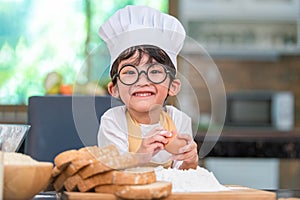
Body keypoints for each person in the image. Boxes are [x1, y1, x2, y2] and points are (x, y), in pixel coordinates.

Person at [97, 5, 198, 170]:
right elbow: (111, 171)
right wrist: (139, 156)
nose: (142, 81)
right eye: (130, 72)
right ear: (114, 88)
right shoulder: (113, 121)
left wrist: (189, 161)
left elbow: (183, 176)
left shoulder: (179, 120)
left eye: (155, 71)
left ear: (173, 86)